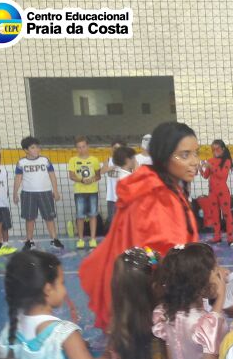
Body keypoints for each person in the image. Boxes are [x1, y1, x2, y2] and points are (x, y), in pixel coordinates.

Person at [79, 121, 201, 331]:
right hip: (148, 306)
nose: (195, 162)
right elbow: (153, 255)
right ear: (164, 156)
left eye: (196, 153)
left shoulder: (161, 186)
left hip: (147, 297)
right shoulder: (155, 196)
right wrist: (198, 272)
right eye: (184, 155)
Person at [11, 136, 63, 251]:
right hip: (28, 194)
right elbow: (18, 178)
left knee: (49, 217)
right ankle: (29, 241)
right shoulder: (21, 162)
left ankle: (54, 239)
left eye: (37, 147)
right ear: (26, 150)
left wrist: (55, 190)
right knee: (29, 218)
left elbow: (52, 176)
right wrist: (15, 193)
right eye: (33, 147)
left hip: (45, 193)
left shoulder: (45, 160)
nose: (37, 149)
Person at [199, 139, 233, 246]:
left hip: (223, 192)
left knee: (227, 214)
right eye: (213, 149)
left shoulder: (227, 161)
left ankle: (230, 239)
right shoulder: (210, 160)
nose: (215, 151)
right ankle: (217, 237)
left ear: (223, 149)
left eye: (217, 149)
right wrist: (200, 169)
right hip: (212, 192)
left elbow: (222, 175)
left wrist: (210, 166)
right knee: (215, 215)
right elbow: (206, 176)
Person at [68, 136, 102, 249]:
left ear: (87, 146)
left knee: (93, 215)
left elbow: (98, 175)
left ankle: (93, 239)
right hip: (79, 191)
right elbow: (71, 176)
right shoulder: (73, 160)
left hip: (92, 191)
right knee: (80, 216)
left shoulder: (94, 160)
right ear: (76, 148)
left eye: (83, 146)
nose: (81, 149)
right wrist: (81, 180)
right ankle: (80, 239)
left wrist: (92, 179)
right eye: (79, 147)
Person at [102, 140, 126, 224]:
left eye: (119, 148)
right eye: (115, 148)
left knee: (124, 221)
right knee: (112, 221)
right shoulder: (108, 160)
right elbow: (102, 171)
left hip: (123, 197)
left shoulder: (126, 161)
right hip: (111, 196)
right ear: (111, 149)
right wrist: (114, 166)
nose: (116, 150)